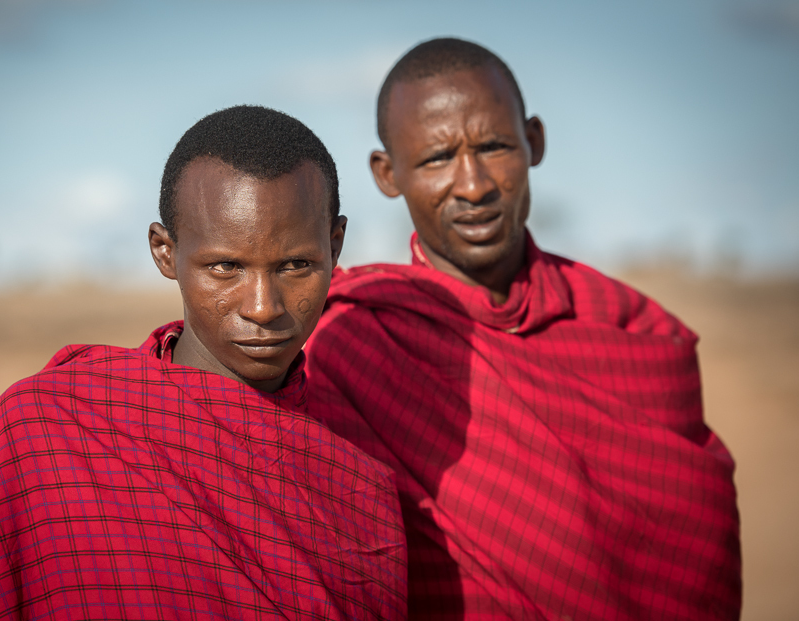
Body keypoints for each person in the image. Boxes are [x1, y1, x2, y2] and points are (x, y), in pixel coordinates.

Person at [0, 105, 406, 621]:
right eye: (224, 267)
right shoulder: (43, 435)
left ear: (335, 246)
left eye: (296, 265)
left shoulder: (358, 492)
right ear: (165, 252)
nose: (263, 307)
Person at [304, 38, 741, 620]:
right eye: (436, 159)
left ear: (533, 141)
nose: (474, 185)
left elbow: (694, 553)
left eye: (494, 146)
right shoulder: (348, 337)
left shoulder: (629, 328)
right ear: (388, 174)